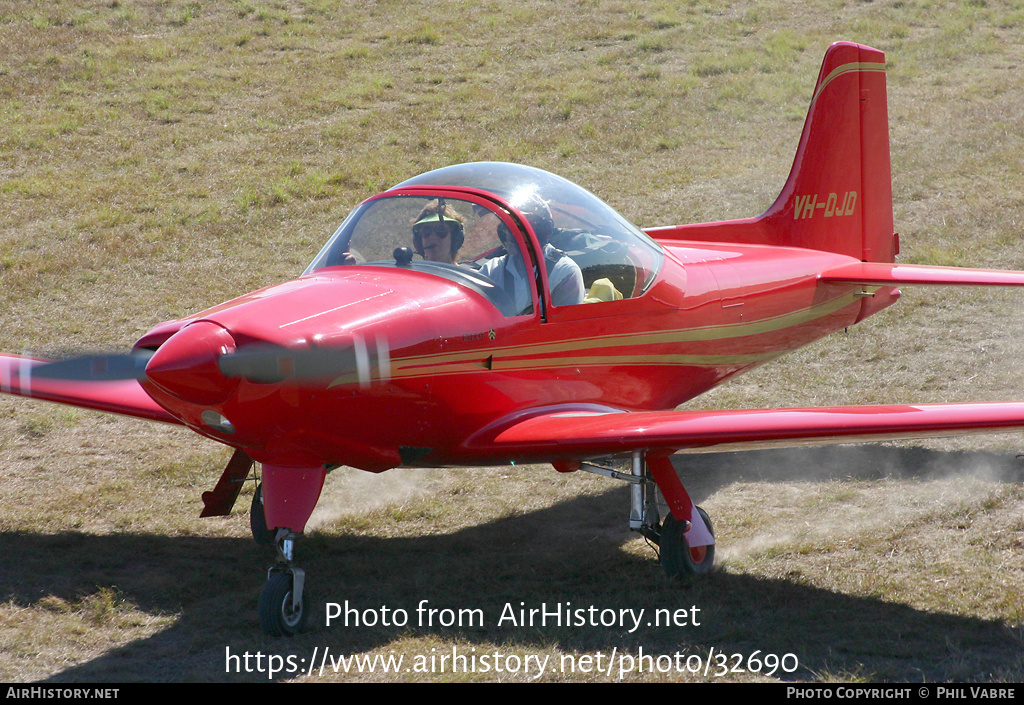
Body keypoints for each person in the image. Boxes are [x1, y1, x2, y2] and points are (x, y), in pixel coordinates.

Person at [479, 195, 584, 314]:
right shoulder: (491, 271)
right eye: (508, 224)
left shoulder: (564, 272)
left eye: (520, 225)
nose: (511, 232)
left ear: (545, 230)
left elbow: (563, 328)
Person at [412, 199, 465, 264]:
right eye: (426, 232)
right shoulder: (411, 273)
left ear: (455, 238)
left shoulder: (465, 274)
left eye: (441, 231)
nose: (432, 237)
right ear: (419, 240)